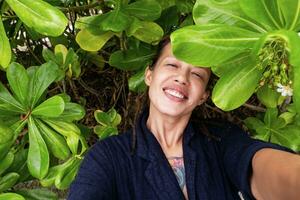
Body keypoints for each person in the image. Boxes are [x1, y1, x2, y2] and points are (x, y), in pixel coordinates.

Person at [68, 37, 300, 200]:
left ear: (203, 96)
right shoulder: (109, 156)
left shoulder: (220, 139)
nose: (182, 77)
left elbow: (255, 166)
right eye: (171, 64)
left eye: (197, 74)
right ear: (149, 75)